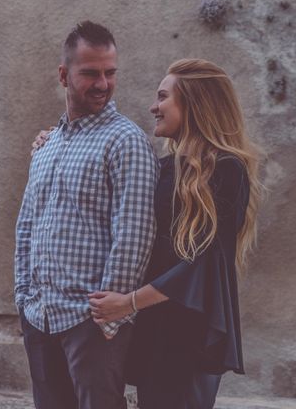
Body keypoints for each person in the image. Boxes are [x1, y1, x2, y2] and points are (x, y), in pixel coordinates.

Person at [86, 58, 262, 408]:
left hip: (189, 331)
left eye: (163, 97)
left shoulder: (228, 170)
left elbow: (203, 263)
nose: (154, 107)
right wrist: (54, 140)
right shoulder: (162, 167)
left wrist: (128, 303)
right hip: (151, 327)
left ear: (194, 103)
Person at [15, 20, 159, 409]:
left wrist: (107, 319)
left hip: (89, 324)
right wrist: (23, 298)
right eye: (90, 73)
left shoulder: (126, 140)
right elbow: (27, 224)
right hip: (39, 316)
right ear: (64, 75)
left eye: (110, 73)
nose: (103, 83)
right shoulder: (46, 146)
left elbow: (134, 232)